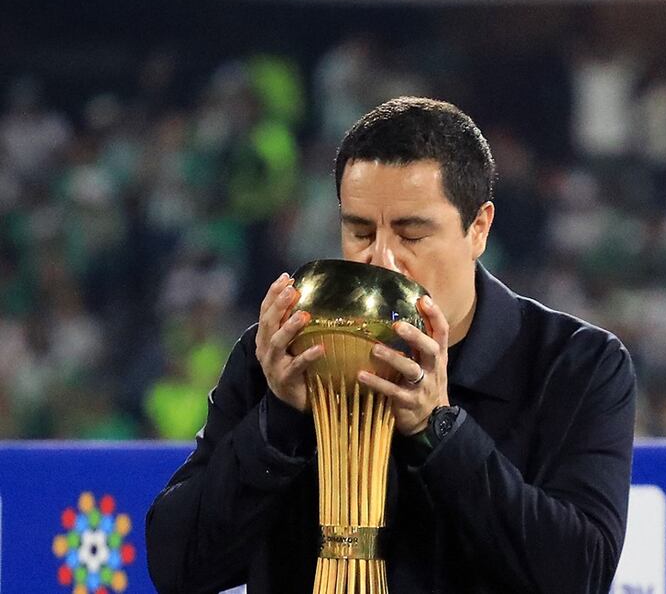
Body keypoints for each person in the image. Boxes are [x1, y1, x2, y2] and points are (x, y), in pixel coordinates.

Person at [145, 97, 637, 593]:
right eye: (360, 231)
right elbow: (178, 568)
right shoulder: (280, 356)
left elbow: (580, 576)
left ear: (478, 228)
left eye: (412, 234)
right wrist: (279, 421)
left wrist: (439, 431)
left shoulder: (577, 365)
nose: (381, 259)